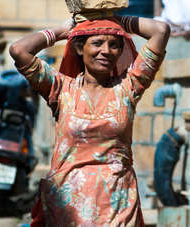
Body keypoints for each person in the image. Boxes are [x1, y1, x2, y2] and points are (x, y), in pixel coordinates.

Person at [9, 14, 170, 226]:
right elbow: (18, 50)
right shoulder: (60, 89)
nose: (106, 51)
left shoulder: (128, 88)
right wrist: (60, 32)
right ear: (79, 48)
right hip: (67, 207)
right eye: (97, 43)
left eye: (114, 45)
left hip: (117, 205)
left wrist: (116, 20)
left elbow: (161, 31)